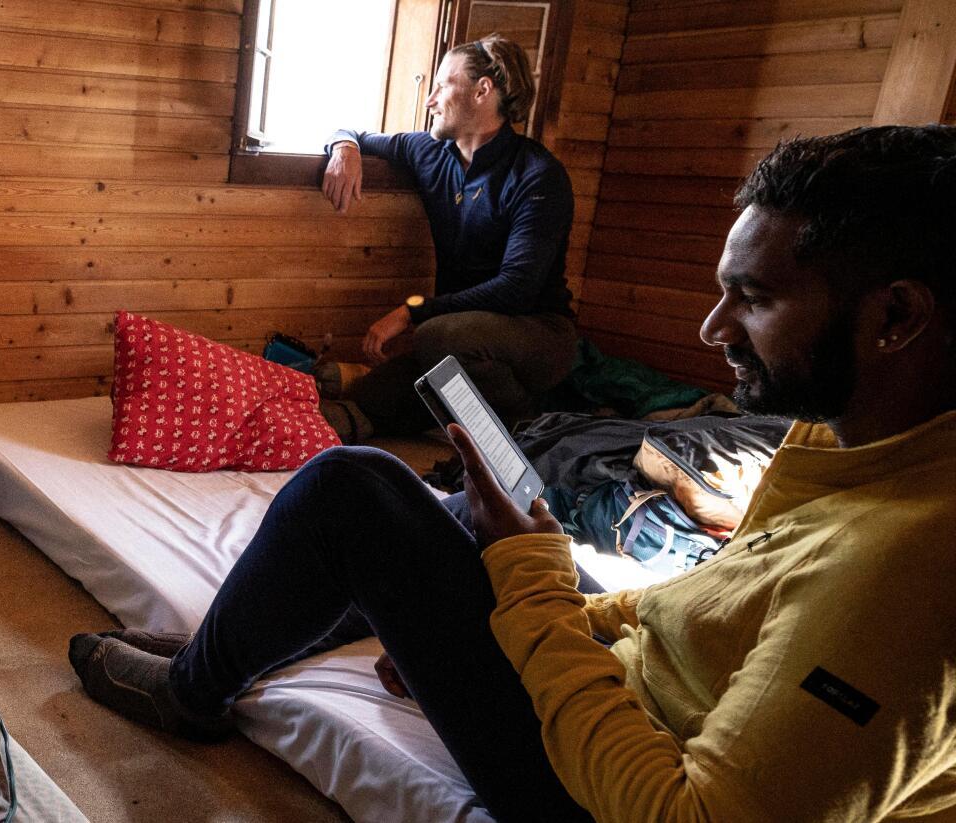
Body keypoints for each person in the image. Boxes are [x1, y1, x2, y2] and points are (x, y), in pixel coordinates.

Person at [70, 125, 956, 822]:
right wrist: (553, 600)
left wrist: (530, 599)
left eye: (754, 299)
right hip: (632, 694)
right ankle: (228, 650)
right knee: (461, 507)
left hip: (599, 791)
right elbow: (700, 612)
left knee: (354, 488)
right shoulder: (852, 451)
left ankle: (192, 694)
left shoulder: (904, 571)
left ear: (896, 317)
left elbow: (682, 810)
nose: (713, 329)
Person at [319, 35, 578, 441]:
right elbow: (349, 130)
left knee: (438, 336)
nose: (430, 99)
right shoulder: (429, 151)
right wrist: (344, 148)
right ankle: (459, 417)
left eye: (442, 85)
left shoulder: (537, 175)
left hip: (537, 334)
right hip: (455, 335)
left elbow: (515, 290)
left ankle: (525, 430)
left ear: (482, 91)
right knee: (373, 394)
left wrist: (410, 311)